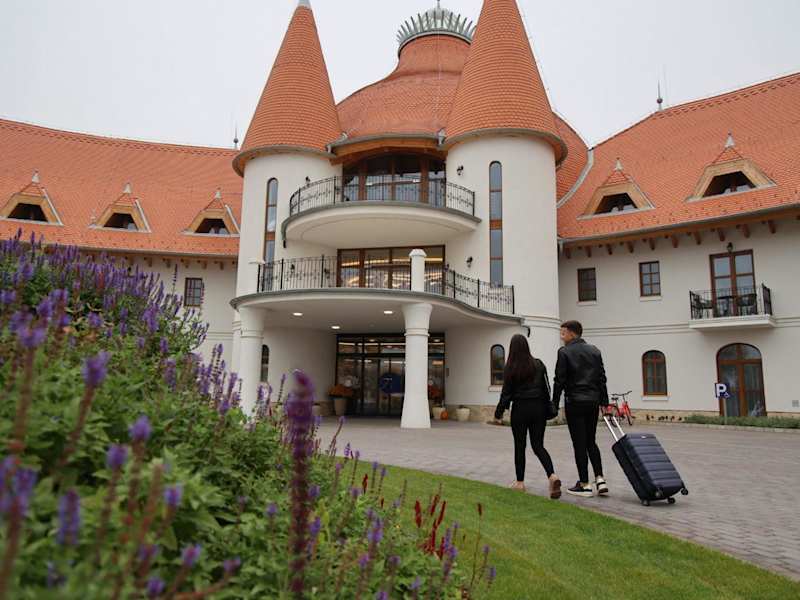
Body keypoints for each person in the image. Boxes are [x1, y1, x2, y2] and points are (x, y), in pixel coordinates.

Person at [494, 334, 561, 499]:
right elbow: (546, 388)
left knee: (520, 446)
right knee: (538, 445)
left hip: (520, 409)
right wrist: (549, 406)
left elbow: (506, 394)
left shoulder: (510, 367)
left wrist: (499, 413)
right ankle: (552, 475)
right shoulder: (539, 364)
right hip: (538, 409)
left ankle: (520, 482)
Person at [552, 320, 610, 498]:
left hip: (575, 402)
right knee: (591, 441)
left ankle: (584, 484)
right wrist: (604, 402)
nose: (562, 337)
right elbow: (601, 378)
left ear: (572, 333)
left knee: (579, 443)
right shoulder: (595, 351)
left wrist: (554, 403)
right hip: (593, 402)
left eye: (563, 333)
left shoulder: (564, 352)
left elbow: (559, 380)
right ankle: (600, 479)